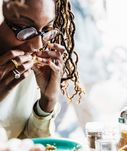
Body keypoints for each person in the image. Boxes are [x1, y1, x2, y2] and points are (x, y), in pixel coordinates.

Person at [0, 0, 83, 139]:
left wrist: (47, 102)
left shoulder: (30, 72)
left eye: (46, 30)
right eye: (23, 28)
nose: (37, 45)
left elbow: (31, 145)